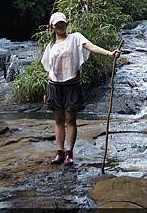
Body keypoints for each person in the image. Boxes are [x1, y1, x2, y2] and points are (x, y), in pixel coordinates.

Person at [41, 12, 121, 166]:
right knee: (58, 121)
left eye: (62, 23)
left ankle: (69, 153)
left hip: (72, 85)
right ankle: (59, 152)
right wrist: (48, 82)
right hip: (55, 86)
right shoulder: (50, 46)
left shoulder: (76, 37)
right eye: (57, 24)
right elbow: (48, 67)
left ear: (66, 24)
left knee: (70, 120)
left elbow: (90, 47)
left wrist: (109, 54)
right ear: (52, 27)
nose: (60, 26)